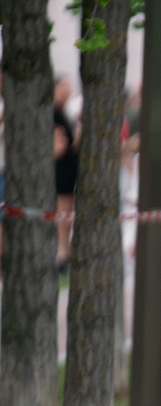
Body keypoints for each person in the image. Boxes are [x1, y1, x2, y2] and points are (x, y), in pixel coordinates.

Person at [52, 76, 78, 269]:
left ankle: (65, 252)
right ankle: (62, 254)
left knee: (67, 214)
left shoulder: (64, 113)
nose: (67, 92)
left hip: (69, 171)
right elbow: (60, 147)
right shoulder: (54, 115)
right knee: (62, 215)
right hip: (61, 171)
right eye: (63, 88)